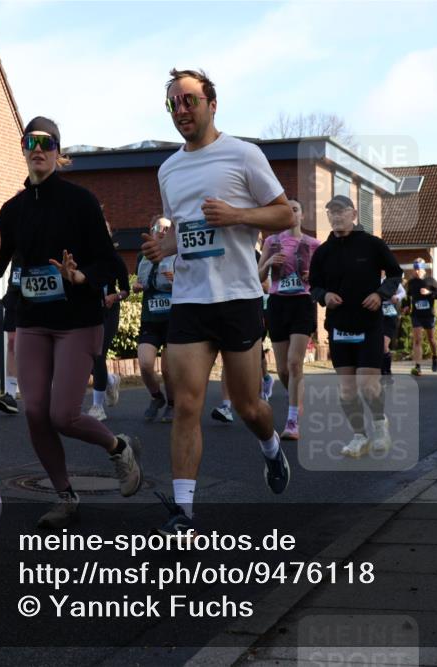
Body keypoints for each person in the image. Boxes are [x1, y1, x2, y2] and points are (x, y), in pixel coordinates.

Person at [141, 69, 293, 538]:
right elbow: (188, 231)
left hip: (239, 298)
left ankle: (270, 447)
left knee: (249, 407)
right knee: (186, 404)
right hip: (189, 300)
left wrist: (238, 215)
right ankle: (184, 514)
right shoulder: (168, 169)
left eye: (189, 100)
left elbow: (285, 212)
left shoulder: (243, 154)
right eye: (173, 104)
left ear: (211, 103)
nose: (181, 110)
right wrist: (166, 248)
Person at [0, 116, 142, 530]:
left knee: (63, 415)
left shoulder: (80, 201)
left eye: (47, 142)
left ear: (58, 152)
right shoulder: (12, 208)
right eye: (30, 140)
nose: (38, 148)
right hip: (32, 320)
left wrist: (82, 277)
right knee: (34, 411)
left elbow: (111, 263)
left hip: (77, 320)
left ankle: (118, 446)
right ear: (24, 148)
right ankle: (65, 494)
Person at [309, 195, 402, 458]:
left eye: (341, 212)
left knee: (367, 383)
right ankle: (359, 436)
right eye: (331, 213)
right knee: (347, 389)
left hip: (369, 324)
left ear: (353, 215)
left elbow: (395, 273)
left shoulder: (372, 244)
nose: (336, 217)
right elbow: (314, 285)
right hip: (339, 326)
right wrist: (324, 296)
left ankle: (381, 425)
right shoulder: (323, 252)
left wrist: (380, 294)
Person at [258, 197, 320, 440]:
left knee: (295, 364)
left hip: (302, 303)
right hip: (277, 303)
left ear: (302, 215)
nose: (292, 213)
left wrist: (312, 276)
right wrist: (270, 262)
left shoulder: (314, 244)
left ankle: (292, 420)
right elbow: (258, 275)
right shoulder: (272, 242)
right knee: (283, 369)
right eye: (287, 210)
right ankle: (297, 396)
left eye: (296, 209)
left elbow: (323, 280)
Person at [87, 220, 131, 421]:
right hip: (89, 311)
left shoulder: (115, 260)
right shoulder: (84, 257)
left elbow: (125, 290)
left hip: (109, 311)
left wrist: (115, 297)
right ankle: (111, 379)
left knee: (98, 354)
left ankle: (97, 406)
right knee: (88, 359)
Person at [135, 217, 173, 423]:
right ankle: (157, 397)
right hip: (150, 318)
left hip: (173, 319)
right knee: (145, 364)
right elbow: (138, 283)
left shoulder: (178, 255)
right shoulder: (142, 256)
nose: (163, 231)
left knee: (168, 370)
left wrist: (177, 281)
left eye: (168, 228)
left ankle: (173, 405)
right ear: (151, 229)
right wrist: (137, 287)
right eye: (159, 227)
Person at [405, 259, 437, 376]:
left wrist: (429, 293)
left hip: (428, 315)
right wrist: (406, 306)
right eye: (415, 269)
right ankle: (418, 366)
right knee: (417, 340)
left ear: (423, 270)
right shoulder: (411, 283)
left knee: (431, 339)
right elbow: (407, 297)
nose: (417, 272)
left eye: (419, 269)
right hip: (416, 314)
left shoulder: (430, 281)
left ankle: (435, 357)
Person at [0, 264, 20, 414]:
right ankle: (10, 395)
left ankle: (101, 381)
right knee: (12, 342)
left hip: (41, 289)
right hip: (15, 291)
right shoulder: (13, 242)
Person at [380, 276, 406, 378]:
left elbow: (402, 292)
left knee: (383, 343)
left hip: (389, 314)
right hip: (375, 314)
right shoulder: (371, 278)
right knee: (377, 344)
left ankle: (386, 369)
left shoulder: (391, 280)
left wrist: (397, 297)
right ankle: (382, 369)